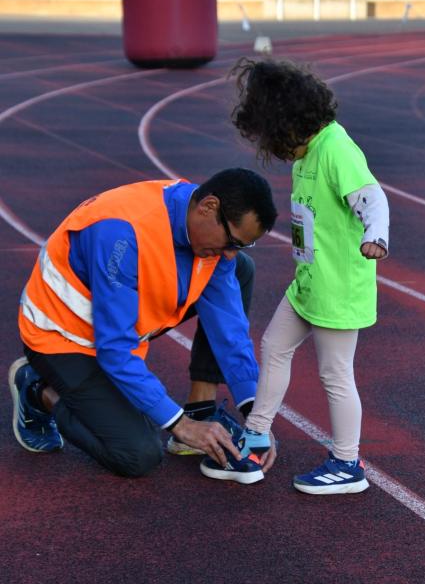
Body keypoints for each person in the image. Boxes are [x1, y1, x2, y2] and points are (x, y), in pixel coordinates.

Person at [9, 168, 278, 480]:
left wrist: (256, 417)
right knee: (138, 454)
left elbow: (230, 329)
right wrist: (179, 424)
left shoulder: (204, 226)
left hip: (119, 322)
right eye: (232, 241)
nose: (230, 253)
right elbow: (115, 351)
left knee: (239, 270)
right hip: (62, 337)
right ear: (209, 207)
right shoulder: (120, 234)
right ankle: (36, 390)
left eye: (242, 244)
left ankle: (200, 409)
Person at [200, 59, 389, 495]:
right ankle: (257, 434)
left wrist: (376, 236)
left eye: (269, 134)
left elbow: (372, 199)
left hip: (338, 288)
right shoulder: (308, 152)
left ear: (286, 121)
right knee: (274, 346)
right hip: (309, 283)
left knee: (335, 373)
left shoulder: (335, 148)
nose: (273, 147)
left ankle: (347, 463)